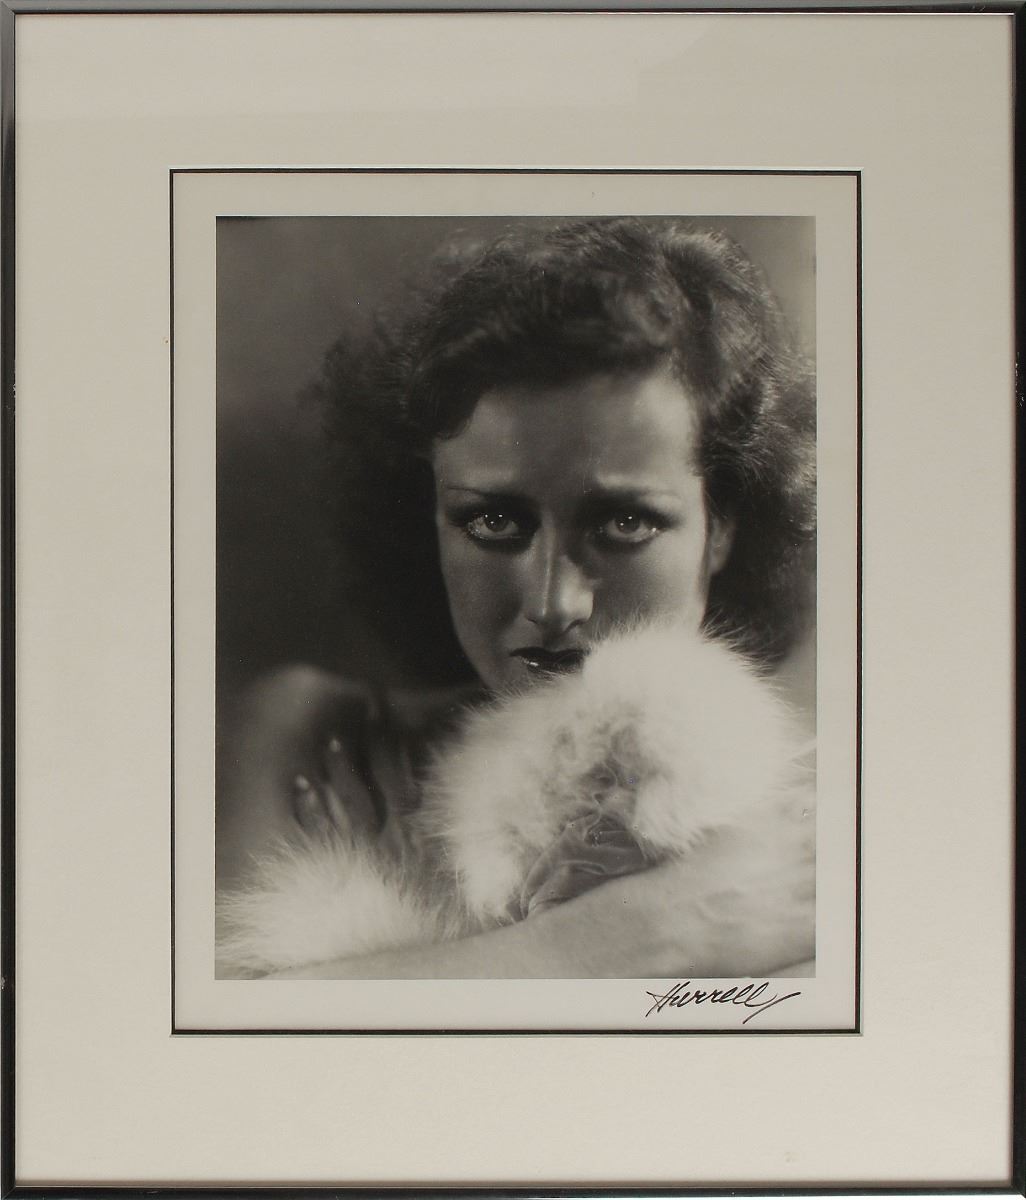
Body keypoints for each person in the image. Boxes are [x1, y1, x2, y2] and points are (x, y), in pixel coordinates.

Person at [215, 217, 817, 979]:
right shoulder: (317, 735)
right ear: (430, 518)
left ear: (722, 528)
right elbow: (229, 1037)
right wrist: (648, 931)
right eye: (495, 522)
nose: (554, 602)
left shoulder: (803, 820)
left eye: (624, 523)